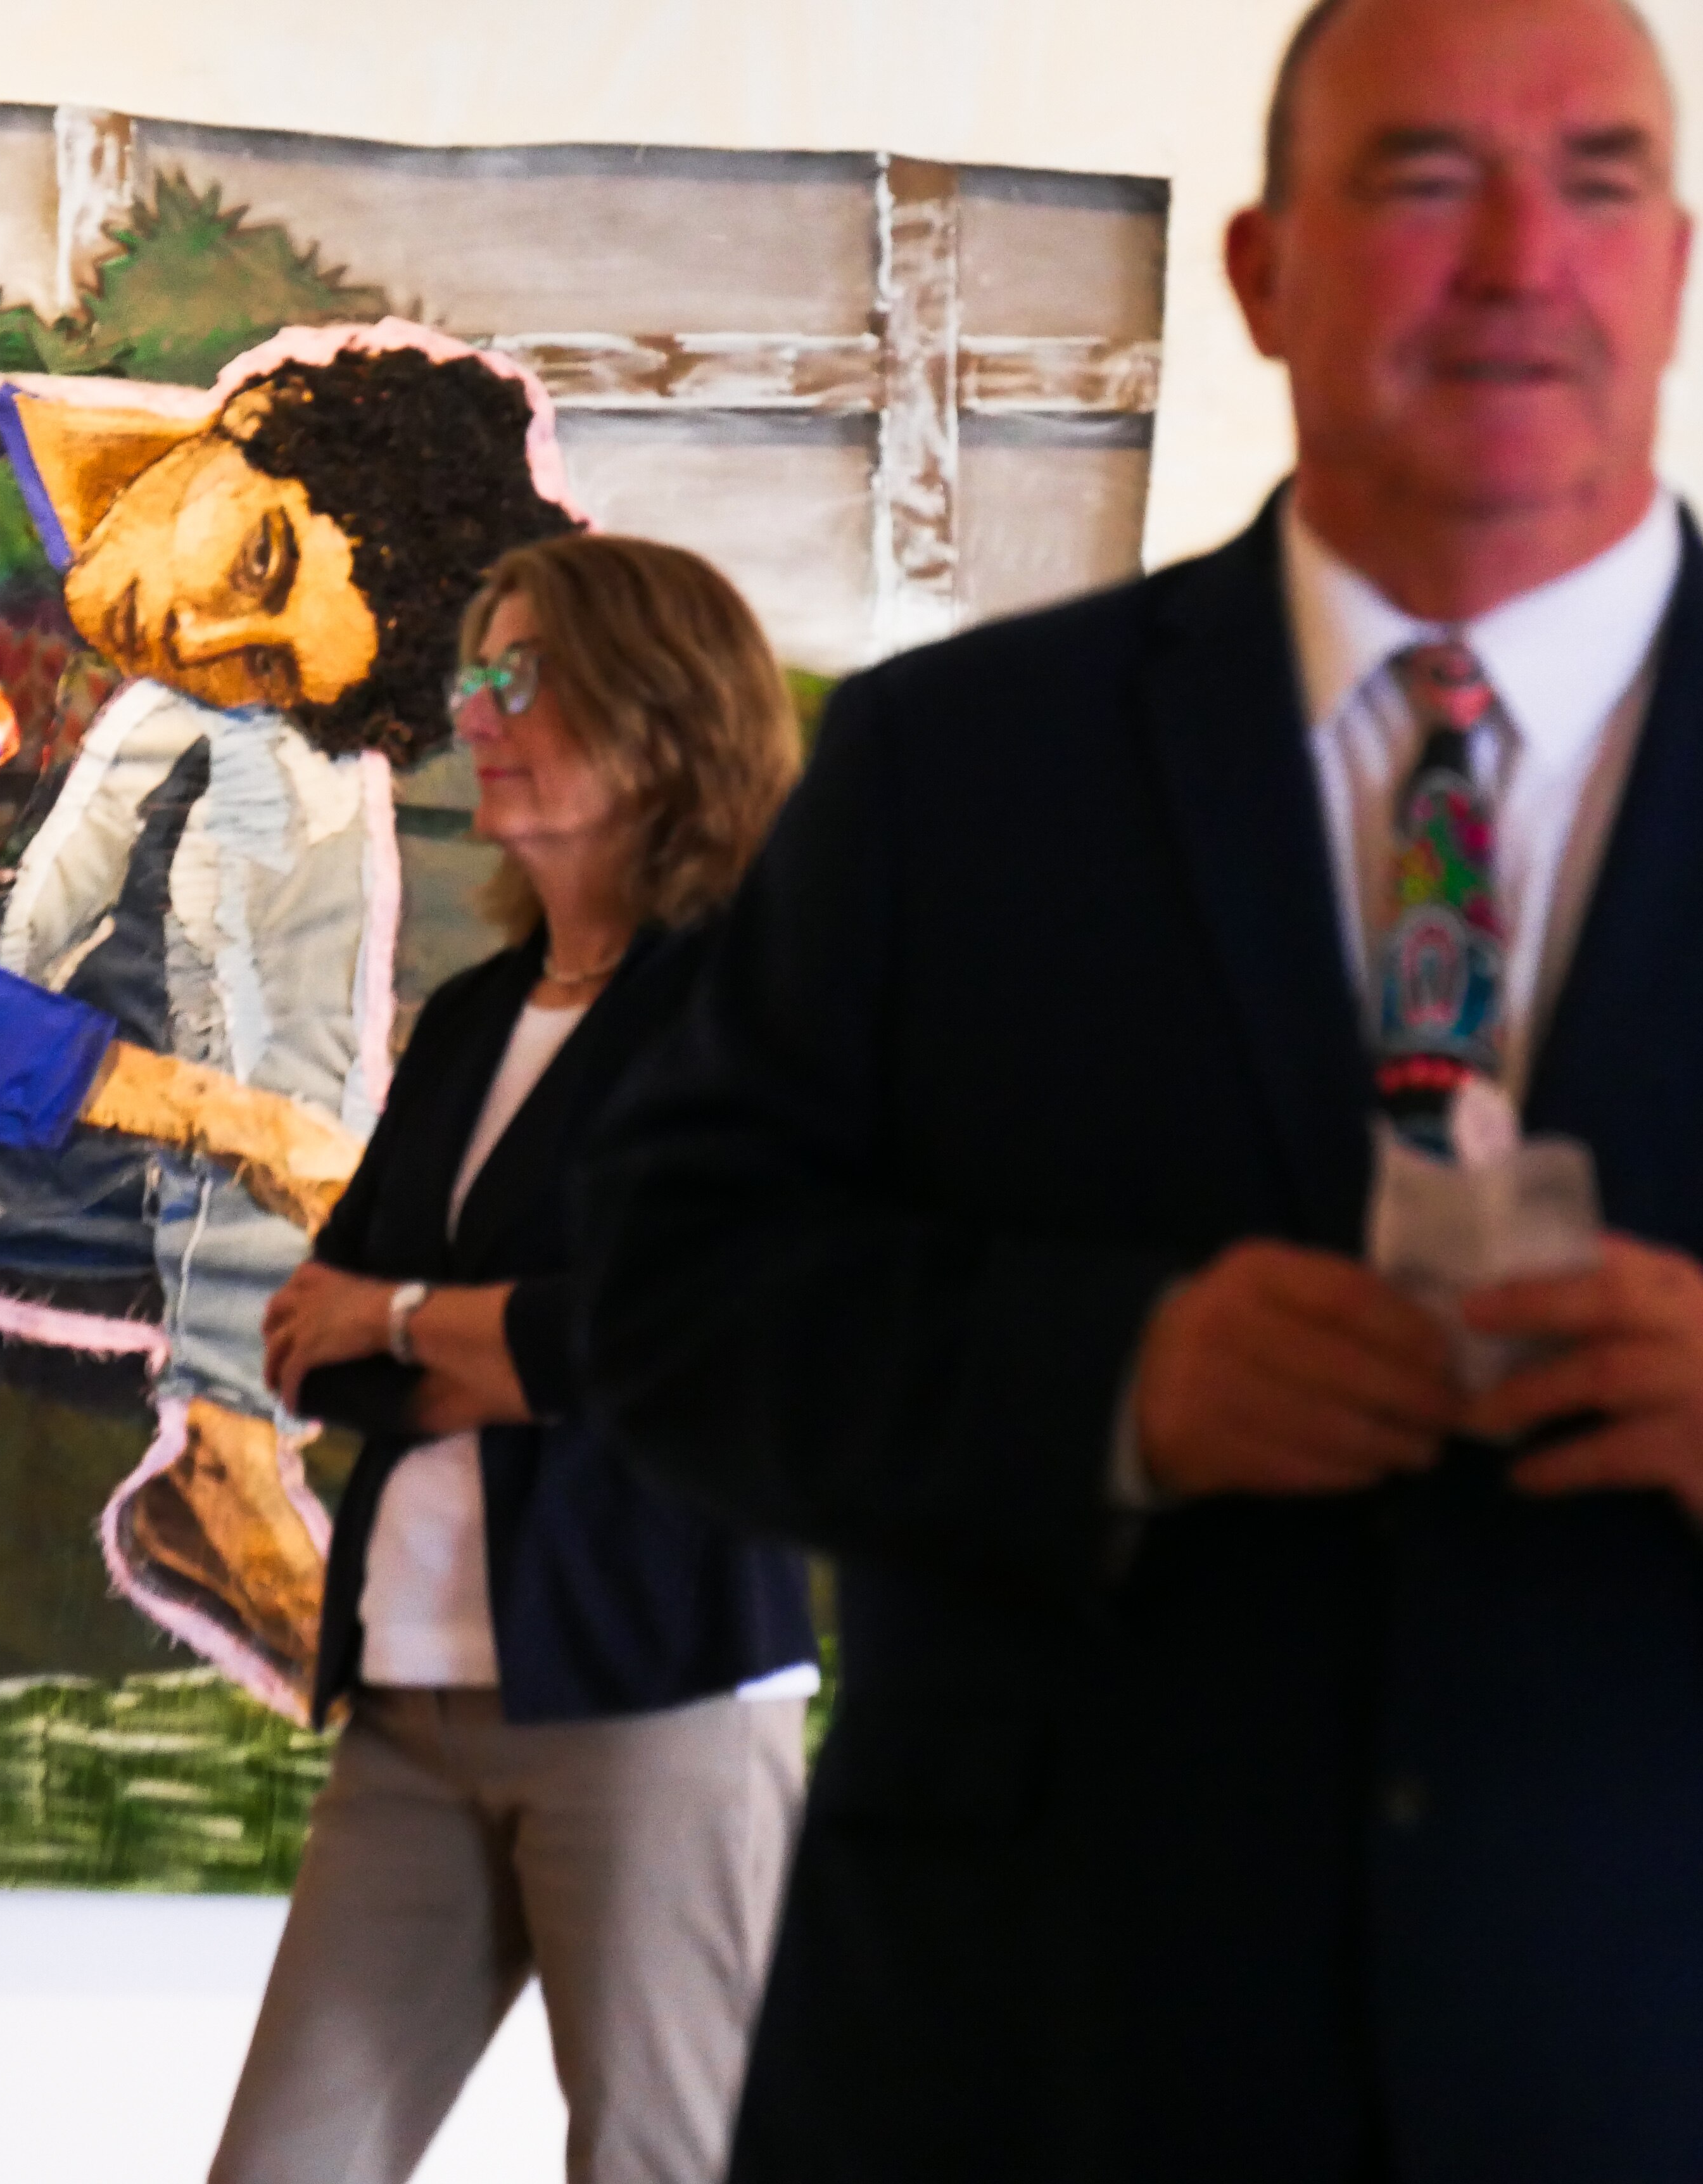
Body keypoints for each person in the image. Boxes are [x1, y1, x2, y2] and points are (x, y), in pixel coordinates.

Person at [578, 0, 1702, 2177]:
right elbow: (670, 1295)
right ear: (1265, 269)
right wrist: (1108, 1378)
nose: (1514, 259)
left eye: (1594, 181)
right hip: (1034, 2057)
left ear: (1673, 261)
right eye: (1424, 179)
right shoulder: (953, 769)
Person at [0, 326, 583, 1710]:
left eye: (260, 651)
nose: (203, 632)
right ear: (246, 418)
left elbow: (258, 647)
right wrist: (251, 1129)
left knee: (274, 744)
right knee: (259, 752)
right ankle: (236, 1443)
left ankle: (229, 1445)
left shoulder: (176, 476)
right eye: (261, 569)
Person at [212, 535, 819, 2184]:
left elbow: (714, 1336)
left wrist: (420, 1322)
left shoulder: (749, 1006)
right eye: (473, 672)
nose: (469, 710)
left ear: (661, 709)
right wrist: (492, 1342)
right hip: (410, 1694)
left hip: (655, 1694)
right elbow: (306, 1342)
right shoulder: (480, 1010)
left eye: (519, 671)